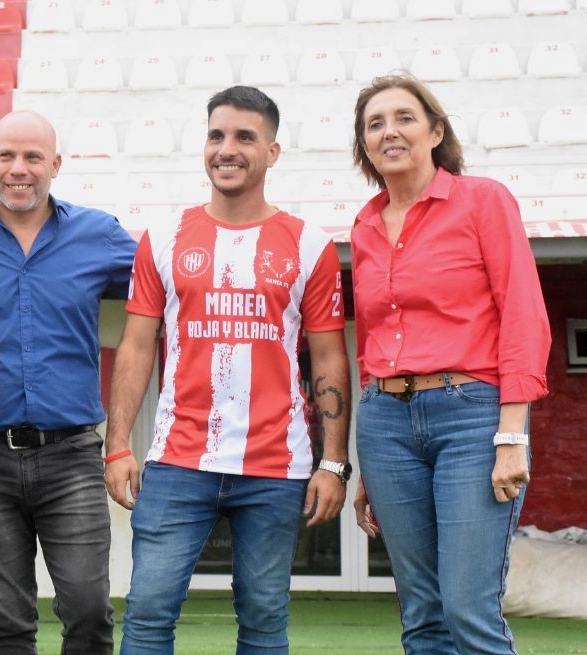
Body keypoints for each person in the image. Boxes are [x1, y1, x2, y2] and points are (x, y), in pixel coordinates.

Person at [104, 86, 351, 655]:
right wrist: (118, 445)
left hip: (275, 464)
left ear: (273, 151)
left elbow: (331, 358)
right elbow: (137, 346)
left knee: (264, 619)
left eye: (244, 136)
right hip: (177, 459)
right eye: (216, 135)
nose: (227, 148)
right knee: (146, 613)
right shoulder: (163, 239)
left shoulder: (309, 246)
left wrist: (333, 461)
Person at [0, 110, 136, 654]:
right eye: (7, 156)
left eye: (33, 157)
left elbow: (160, 304)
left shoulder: (102, 236)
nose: (19, 169)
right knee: (8, 628)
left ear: (55, 165)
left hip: (71, 457)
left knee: (89, 612)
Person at [349, 75, 550, 655]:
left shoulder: (483, 200)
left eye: (404, 118)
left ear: (435, 131)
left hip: (473, 418)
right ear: (364, 145)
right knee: (422, 616)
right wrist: (369, 463)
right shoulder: (362, 226)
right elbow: (374, 342)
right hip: (385, 423)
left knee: (468, 610)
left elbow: (523, 314)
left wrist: (512, 434)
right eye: (375, 123)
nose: (389, 131)